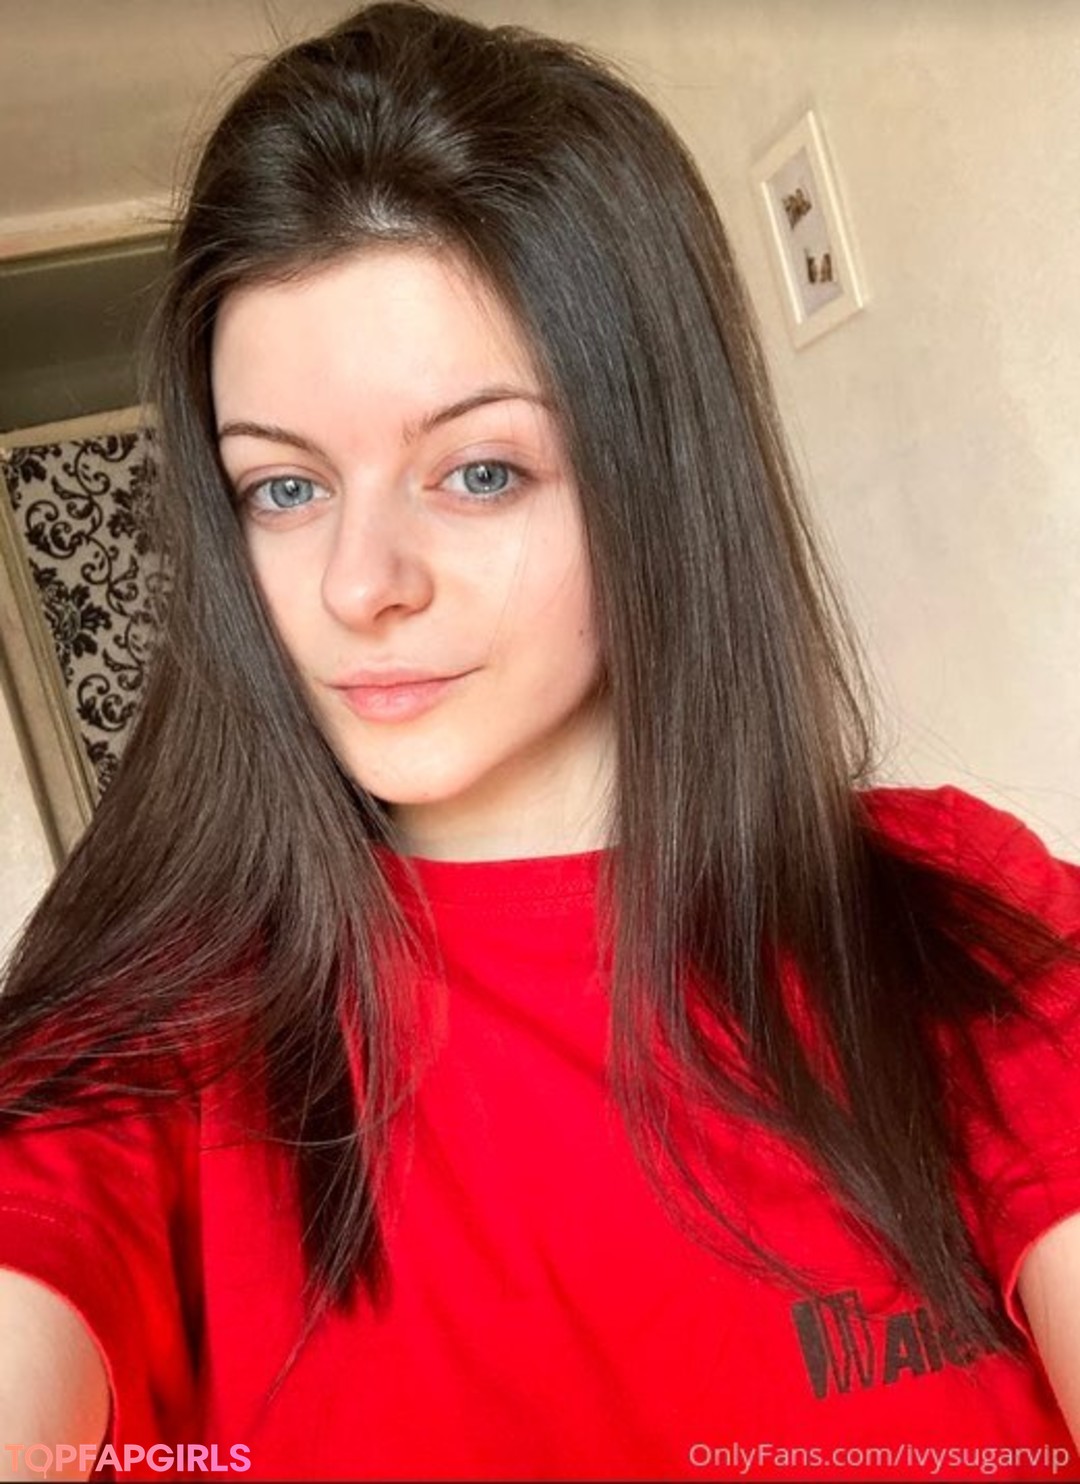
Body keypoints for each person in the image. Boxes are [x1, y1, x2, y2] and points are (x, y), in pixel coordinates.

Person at [2, 3, 1080, 1480]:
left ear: (654, 475)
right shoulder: (151, 1053)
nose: (360, 585)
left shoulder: (948, 911)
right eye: (285, 489)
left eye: (480, 471)